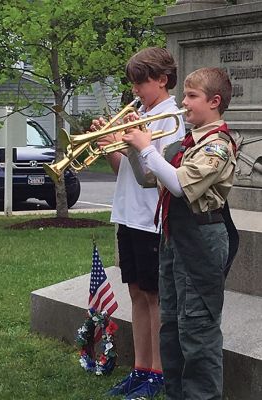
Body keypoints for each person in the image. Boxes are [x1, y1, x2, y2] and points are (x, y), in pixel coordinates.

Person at [122, 67, 238, 400]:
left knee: (197, 332)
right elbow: (149, 178)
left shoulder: (217, 146)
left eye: (191, 96)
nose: (183, 103)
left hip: (201, 240)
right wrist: (133, 144)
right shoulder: (184, 143)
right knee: (171, 329)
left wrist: (147, 147)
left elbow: (178, 185)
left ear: (214, 102)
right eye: (184, 95)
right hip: (175, 239)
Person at [90, 47, 185, 400]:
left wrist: (126, 144)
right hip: (127, 214)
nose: (135, 90)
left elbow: (153, 176)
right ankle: (141, 368)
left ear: (162, 79)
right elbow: (123, 170)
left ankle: (158, 372)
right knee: (134, 292)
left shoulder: (172, 118)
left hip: (152, 218)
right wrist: (109, 147)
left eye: (141, 82)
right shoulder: (139, 113)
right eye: (132, 83)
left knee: (154, 295)